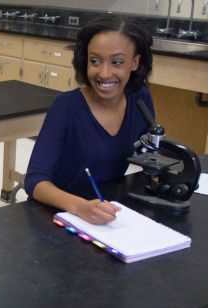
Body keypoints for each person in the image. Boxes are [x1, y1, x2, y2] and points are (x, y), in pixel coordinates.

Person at [24, 15, 154, 225]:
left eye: (117, 62)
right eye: (95, 61)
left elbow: (148, 153)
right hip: (56, 216)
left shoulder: (140, 99)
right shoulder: (67, 106)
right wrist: (81, 207)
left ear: (135, 62)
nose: (104, 73)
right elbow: (35, 182)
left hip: (106, 212)